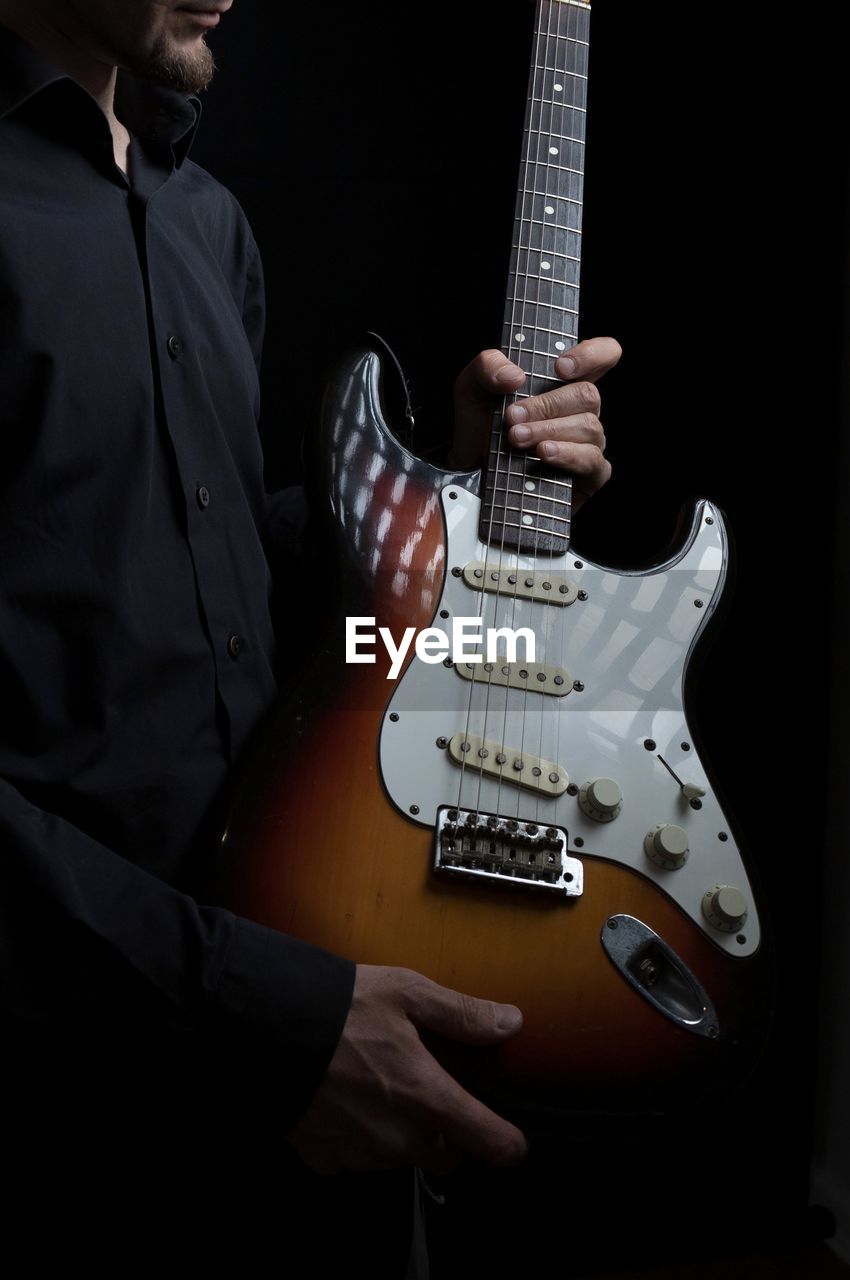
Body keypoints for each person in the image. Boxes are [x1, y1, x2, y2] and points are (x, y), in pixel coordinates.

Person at [0, 0, 620, 1272]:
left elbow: (215, 596)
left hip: (302, 1031)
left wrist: (446, 487)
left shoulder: (205, 222)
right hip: (73, 1068)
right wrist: (248, 1014)